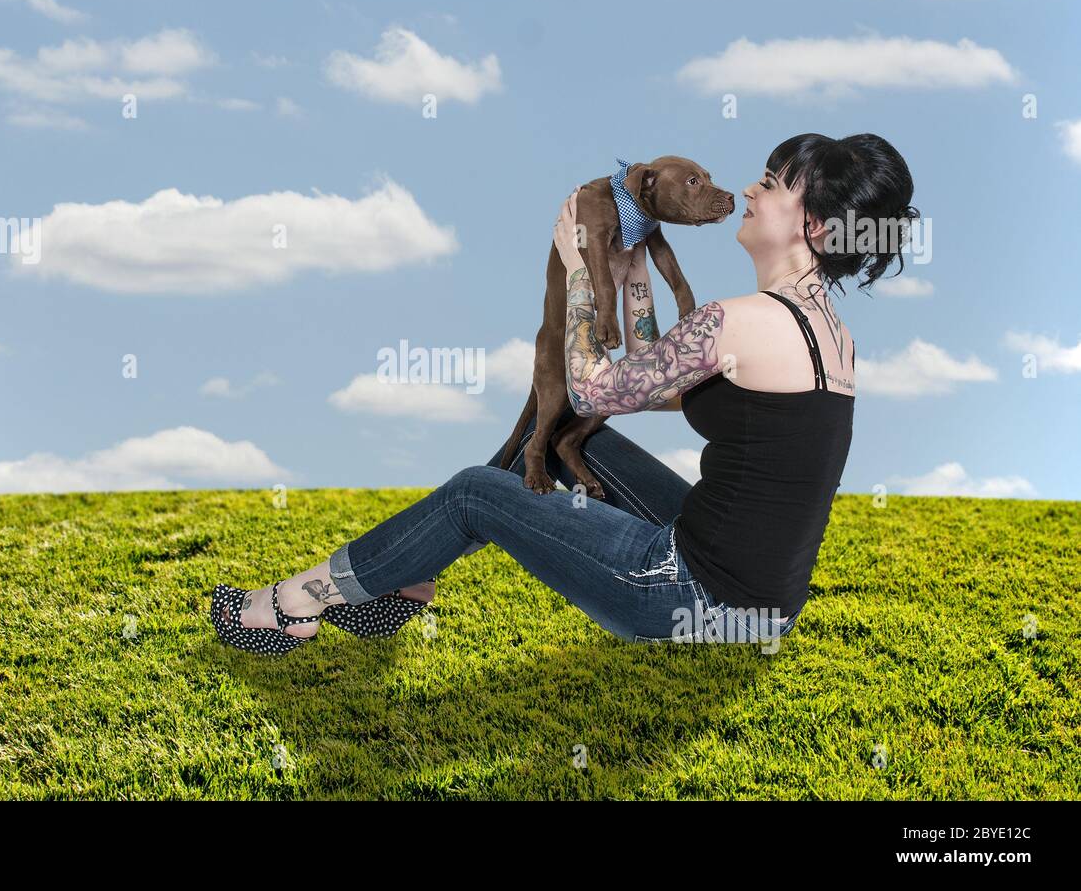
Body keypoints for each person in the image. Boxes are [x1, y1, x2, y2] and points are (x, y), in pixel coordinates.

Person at [208, 133, 919, 656]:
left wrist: (582, 267)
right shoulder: (828, 332)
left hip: (692, 595)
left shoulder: (739, 320)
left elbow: (592, 383)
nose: (754, 189)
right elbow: (651, 378)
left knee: (472, 493)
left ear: (816, 226)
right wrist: (630, 273)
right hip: (763, 604)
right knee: (565, 440)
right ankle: (404, 578)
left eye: (773, 181)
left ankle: (298, 601)